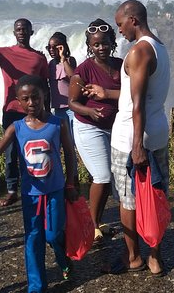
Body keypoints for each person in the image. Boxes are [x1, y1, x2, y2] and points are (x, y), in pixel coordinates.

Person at [0, 75, 79, 293]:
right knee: (33, 237)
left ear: (44, 96)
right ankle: (36, 286)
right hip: (31, 194)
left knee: (53, 234)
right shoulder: (16, 127)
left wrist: (70, 183)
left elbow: (69, 154)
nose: (31, 103)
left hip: (55, 191)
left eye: (35, 97)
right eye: (26, 99)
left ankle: (63, 258)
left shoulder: (57, 124)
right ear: (18, 101)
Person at [104, 0, 170, 276]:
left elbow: (137, 103)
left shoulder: (139, 52)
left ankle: (133, 257)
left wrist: (135, 147)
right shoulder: (160, 47)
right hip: (157, 134)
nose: (118, 30)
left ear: (133, 20)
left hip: (132, 140)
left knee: (128, 200)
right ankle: (155, 256)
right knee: (155, 195)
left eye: (120, 24)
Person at [0, 15, 49, 207]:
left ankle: (33, 187)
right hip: (12, 110)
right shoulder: (4, 53)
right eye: (18, 29)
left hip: (33, 112)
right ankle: (12, 190)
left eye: (25, 29)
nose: (21, 32)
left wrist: (47, 111)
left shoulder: (39, 57)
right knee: (10, 153)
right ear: (14, 33)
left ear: (31, 32)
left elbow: (44, 86)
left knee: (33, 152)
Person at [68, 19, 122, 242]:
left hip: (116, 129)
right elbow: (72, 102)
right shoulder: (83, 70)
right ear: (90, 46)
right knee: (102, 175)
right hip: (89, 127)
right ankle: (92, 226)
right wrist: (89, 112)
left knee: (112, 179)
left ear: (112, 42)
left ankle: (98, 222)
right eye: (96, 44)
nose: (101, 48)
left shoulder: (121, 65)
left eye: (105, 43)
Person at [46, 32, 77, 135]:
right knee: (62, 136)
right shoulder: (51, 64)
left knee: (73, 136)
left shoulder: (69, 60)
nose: (51, 50)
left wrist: (63, 58)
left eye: (55, 47)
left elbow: (73, 77)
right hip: (58, 107)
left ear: (62, 48)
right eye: (49, 47)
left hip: (71, 107)